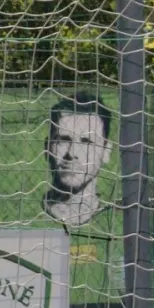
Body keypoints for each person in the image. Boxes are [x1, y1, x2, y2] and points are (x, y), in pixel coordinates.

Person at [43, 92, 113, 228]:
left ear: (106, 151)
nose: (72, 153)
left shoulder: (122, 223)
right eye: (63, 140)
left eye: (87, 141)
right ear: (47, 148)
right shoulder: (17, 215)